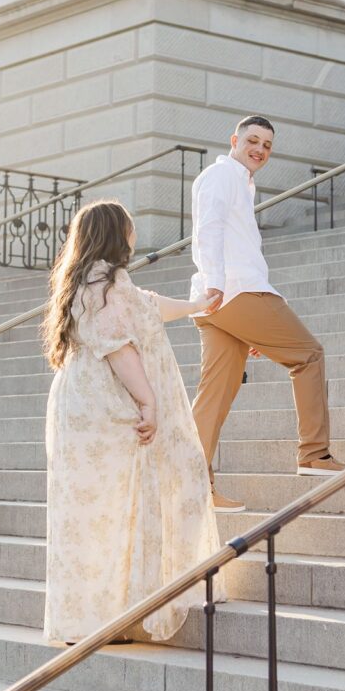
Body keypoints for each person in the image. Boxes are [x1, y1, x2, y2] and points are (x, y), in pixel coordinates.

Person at [42, 199, 223, 645]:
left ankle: (87, 618)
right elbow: (120, 347)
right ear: (115, 233)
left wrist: (199, 304)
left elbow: (147, 306)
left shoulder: (84, 279)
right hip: (105, 402)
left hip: (76, 404)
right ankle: (118, 617)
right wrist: (149, 402)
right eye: (129, 227)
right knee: (121, 506)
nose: (133, 235)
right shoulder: (109, 280)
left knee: (88, 513)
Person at [190, 115, 345, 513]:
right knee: (308, 355)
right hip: (234, 290)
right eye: (253, 141)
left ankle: (193, 486)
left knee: (214, 396)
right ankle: (314, 454)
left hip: (225, 299)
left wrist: (244, 322)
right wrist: (216, 285)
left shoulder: (241, 181)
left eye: (267, 146)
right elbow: (207, 228)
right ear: (234, 140)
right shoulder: (222, 175)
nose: (259, 149)